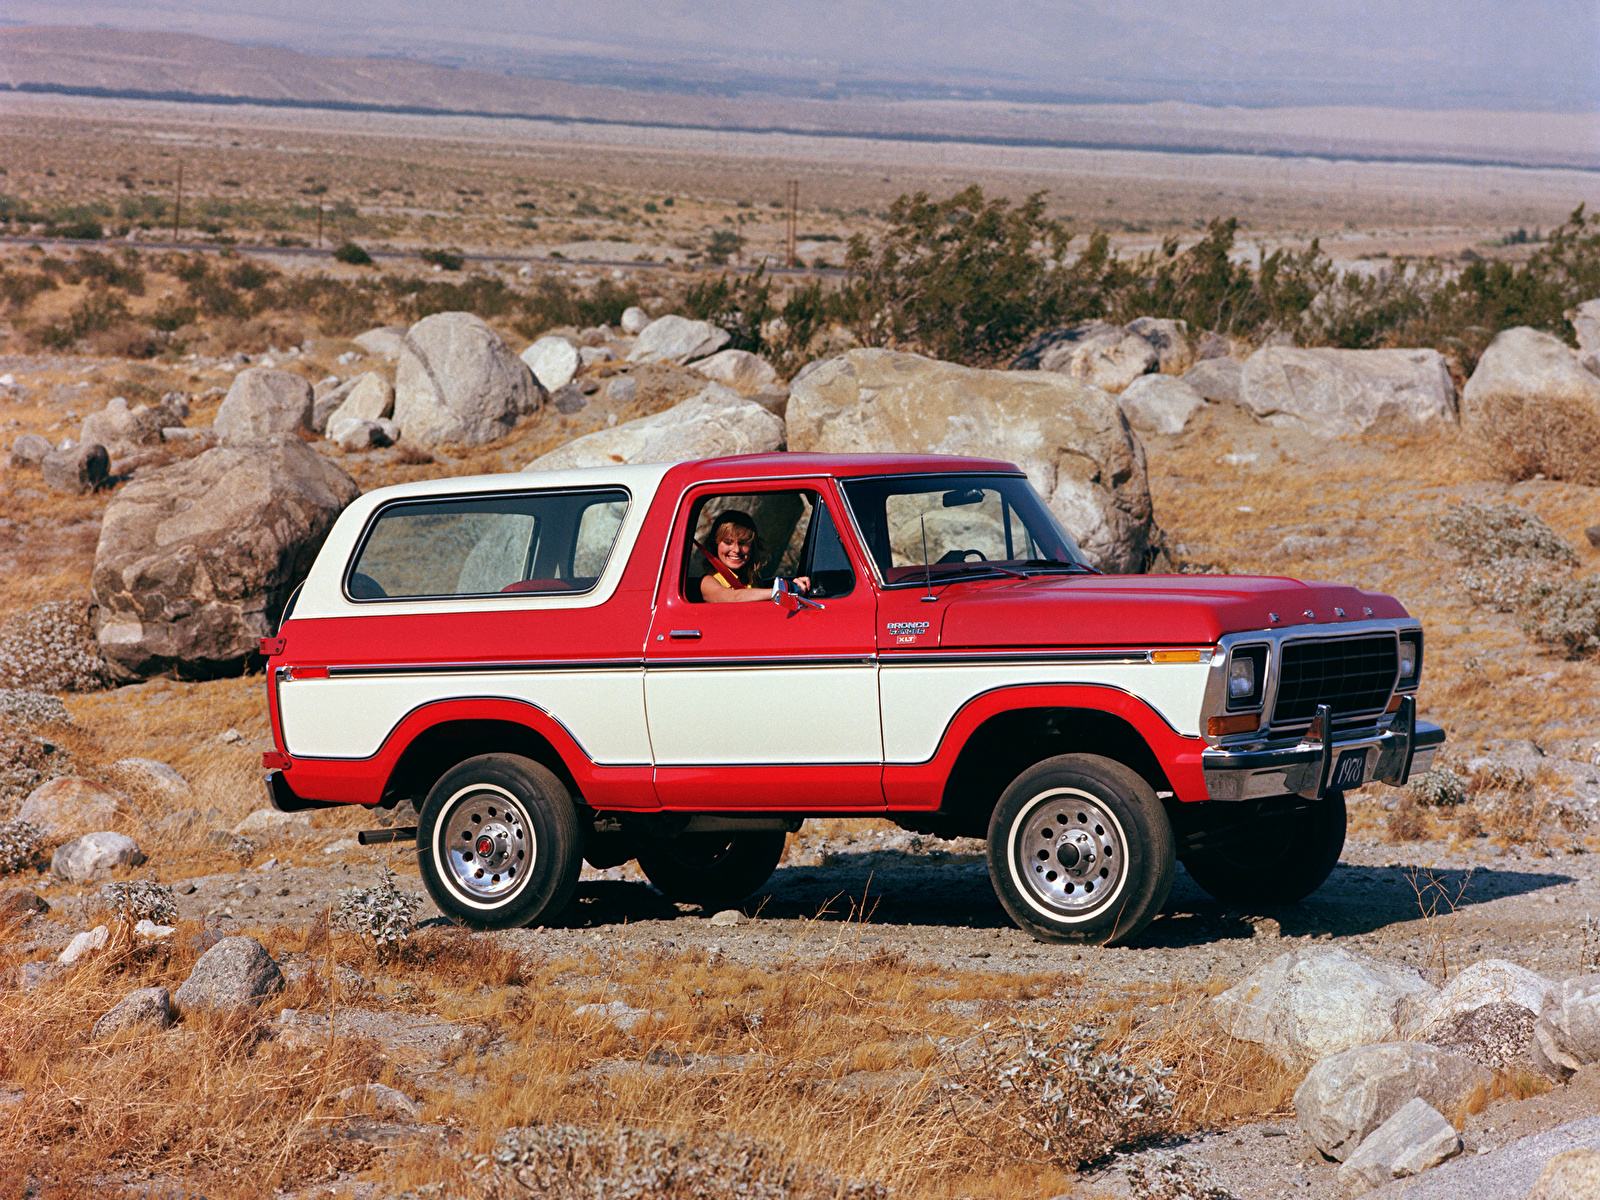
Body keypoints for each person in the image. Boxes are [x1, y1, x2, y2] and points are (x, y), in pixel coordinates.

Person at [697, 509, 808, 603]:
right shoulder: (708, 581)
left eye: (743, 543)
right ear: (715, 544)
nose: (736, 550)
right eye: (728, 542)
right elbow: (735, 597)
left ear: (753, 546)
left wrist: (793, 584)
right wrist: (781, 592)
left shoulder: (751, 578)